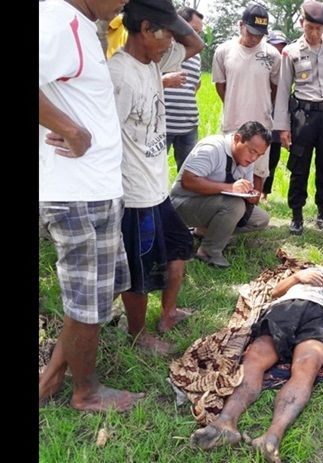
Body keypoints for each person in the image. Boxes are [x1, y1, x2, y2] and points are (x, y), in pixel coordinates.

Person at [39, 0, 144, 411]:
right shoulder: (58, 22)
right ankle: (87, 393)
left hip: (97, 189)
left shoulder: (82, 26)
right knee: (86, 299)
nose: (124, 3)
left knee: (98, 295)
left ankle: (51, 379)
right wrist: (70, 130)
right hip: (75, 191)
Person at [189, 254, 323, 462]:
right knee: (255, 357)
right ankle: (225, 423)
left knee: (306, 367)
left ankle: (272, 437)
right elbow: (274, 292)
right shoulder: (306, 270)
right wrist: (298, 277)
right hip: (287, 308)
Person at [109, 0, 204, 346]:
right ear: (146, 29)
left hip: (157, 189)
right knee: (140, 270)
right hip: (134, 195)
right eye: (166, 33)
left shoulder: (153, 61)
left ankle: (168, 314)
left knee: (180, 246)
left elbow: (196, 44)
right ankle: (138, 334)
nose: (173, 42)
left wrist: (168, 16)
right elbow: (107, 138)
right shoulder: (119, 74)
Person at [272, 0, 323, 235]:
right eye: (310, 27)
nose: (314, 32)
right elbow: (283, 91)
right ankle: (296, 215)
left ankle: (322, 213)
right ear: (302, 23)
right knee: (299, 167)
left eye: (319, 28)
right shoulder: (290, 52)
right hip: (303, 117)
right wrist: (282, 127)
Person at [170, 122, 272, 269]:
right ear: (238, 139)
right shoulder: (212, 148)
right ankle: (208, 252)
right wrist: (230, 188)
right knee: (234, 206)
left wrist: (250, 195)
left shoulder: (247, 159)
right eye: (252, 151)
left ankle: (204, 232)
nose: (254, 158)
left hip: (210, 205)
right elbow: (188, 181)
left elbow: (245, 192)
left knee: (260, 219)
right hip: (182, 204)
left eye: (259, 155)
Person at [212, 3, 281, 195]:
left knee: (258, 169)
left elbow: (275, 87)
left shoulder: (272, 55)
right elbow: (220, 85)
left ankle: (252, 208)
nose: (254, 38)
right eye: (251, 33)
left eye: (259, 35)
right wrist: (234, 103)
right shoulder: (223, 51)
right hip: (233, 120)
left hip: (262, 121)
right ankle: (230, 208)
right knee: (229, 167)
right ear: (240, 25)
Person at [163, 6, 204, 171]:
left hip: (188, 126)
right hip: (162, 126)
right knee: (155, 171)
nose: (196, 36)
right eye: (193, 30)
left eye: (199, 32)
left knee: (188, 172)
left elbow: (195, 86)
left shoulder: (197, 55)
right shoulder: (161, 50)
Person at [262, 30, 290, 201]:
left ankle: (265, 193)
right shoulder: (261, 65)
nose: (278, 52)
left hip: (277, 119)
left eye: (281, 49)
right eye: (275, 47)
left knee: (273, 156)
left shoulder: (286, 69)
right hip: (260, 115)